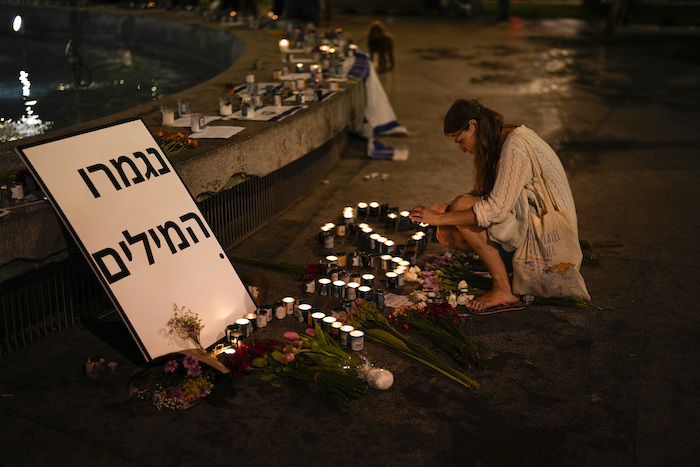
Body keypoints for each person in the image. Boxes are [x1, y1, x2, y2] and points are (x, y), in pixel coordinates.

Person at [409, 99, 581, 314]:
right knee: (451, 221)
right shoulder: (503, 139)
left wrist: (439, 217)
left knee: (459, 208)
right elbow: (493, 198)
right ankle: (506, 273)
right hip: (529, 230)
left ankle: (503, 289)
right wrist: (445, 209)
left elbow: (495, 210)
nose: (462, 149)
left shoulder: (516, 146)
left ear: (473, 125)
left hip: (546, 253)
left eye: (460, 141)